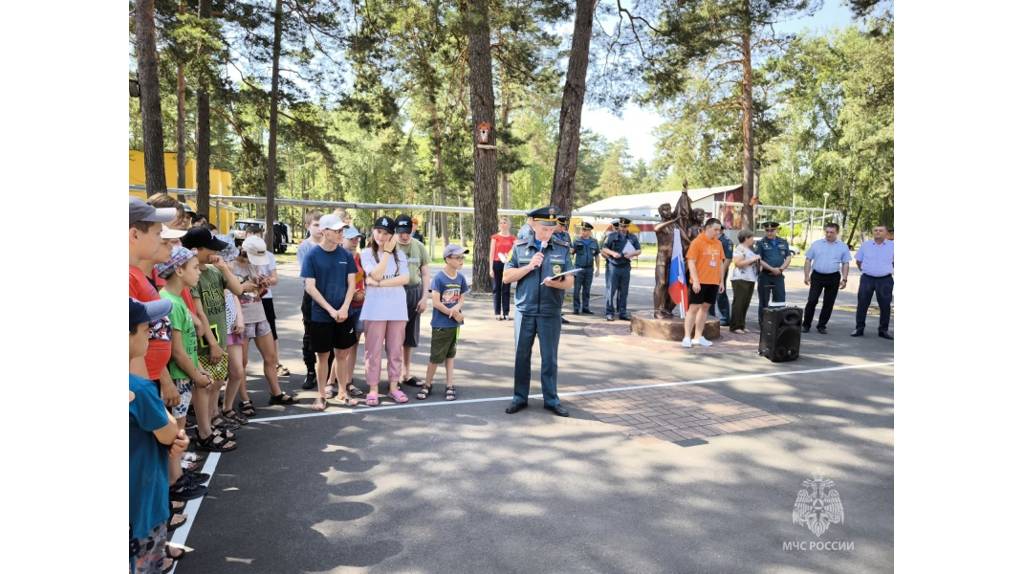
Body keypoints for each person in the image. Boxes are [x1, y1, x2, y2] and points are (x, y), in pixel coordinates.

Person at [130, 298, 189, 574]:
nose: (150, 335)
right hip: (142, 505)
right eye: (144, 330)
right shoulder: (138, 390)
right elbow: (169, 435)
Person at [502, 206, 575, 417]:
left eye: (552, 228)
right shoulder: (519, 247)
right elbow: (506, 277)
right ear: (533, 225)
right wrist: (529, 267)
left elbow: (570, 280)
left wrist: (556, 284)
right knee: (521, 356)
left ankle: (551, 399)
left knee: (549, 358)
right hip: (525, 310)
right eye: (544, 228)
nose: (548, 232)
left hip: (550, 312)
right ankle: (519, 397)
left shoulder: (562, 248)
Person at [301, 214, 359, 411]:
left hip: (344, 314)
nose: (341, 233)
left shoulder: (346, 255)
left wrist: (343, 308)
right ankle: (321, 395)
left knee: (342, 354)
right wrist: (330, 309)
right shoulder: (312, 256)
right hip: (321, 316)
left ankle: (343, 392)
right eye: (337, 230)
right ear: (324, 232)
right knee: (323, 357)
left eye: (342, 230)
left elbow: (352, 284)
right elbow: (310, 287)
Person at [233, 236, 296, 413]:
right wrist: (243, 286)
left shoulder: (255, 265)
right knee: (242, 362)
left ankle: (276, 392)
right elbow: (231, 293)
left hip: (259, 314)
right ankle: (244, 399)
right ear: (244, 251)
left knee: (270, 357)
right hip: (241, 318)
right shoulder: (231, 266)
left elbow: (258, 292)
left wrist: (262, 285)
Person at [360, 216, 411, 406]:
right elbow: (376, 272)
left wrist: (378, 284)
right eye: (378, 231)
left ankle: (393, 387)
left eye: (386, 233)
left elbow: (405, 279)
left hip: (397, 309)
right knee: (372, 351)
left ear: (392, 236)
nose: (381, 236)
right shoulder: (366, 253)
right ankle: (373, 388)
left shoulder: (401, 255)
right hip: (374, 310)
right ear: (373, 231)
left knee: (395, 350)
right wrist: (387, 253)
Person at [417, 244, 470, 402]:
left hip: (454, 326)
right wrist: (453, 314)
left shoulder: (460, 278)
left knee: (450, 355)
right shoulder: (439, 278)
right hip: (441, 325)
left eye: (462, 258)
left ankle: (449, 384)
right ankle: (427, 384)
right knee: (435, 358)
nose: (461, 261)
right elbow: (436, 302)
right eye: (458, 258)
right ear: (447, 259)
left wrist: (457, 310)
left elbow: (461, 298)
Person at [243, 225, 289, 379]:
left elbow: (275, 277)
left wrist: (267, 281)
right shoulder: (236, 261)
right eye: (252, 234)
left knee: (270, 332)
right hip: (244, 304)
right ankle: (240, 367)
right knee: (243, 337)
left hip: (264, 298)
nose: (256, 237)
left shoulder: (268, 255)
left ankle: (275, 363)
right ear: (246, 235)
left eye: (259, 234)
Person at [393, 214, 431, 388]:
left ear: (412, 229)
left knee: (410, 336)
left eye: (407, 232)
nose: (404, 236)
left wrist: (424, 298)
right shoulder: (390, 246)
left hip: (414, 292)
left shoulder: (419, 246)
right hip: (395, 292)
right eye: (400, 232)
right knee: (395, 336)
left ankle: (406, 374)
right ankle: (394, 375)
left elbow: (424, 274)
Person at [681, 218, 726, 348]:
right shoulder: (697, 242)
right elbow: (691, 262)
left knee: (705, 308)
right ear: (707, 228)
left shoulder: (718, 243)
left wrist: (721, 281)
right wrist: (695, 281)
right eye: (716, 229)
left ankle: (698, 337)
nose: (718, 232)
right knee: (693, 308)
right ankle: (687, 337)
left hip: (713, 282)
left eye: (719, 230)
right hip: (699, 282)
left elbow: (721, 263)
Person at [335, 225, 367, 399]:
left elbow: (365, 280)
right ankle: (331, 382)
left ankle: (348, 380)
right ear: (342, 239)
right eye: (351, 238)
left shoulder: (360, 258)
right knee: (340, 348)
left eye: (357, 238)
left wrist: (363, 294)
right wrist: (350, 295)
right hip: (343, 307)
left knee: (353, 345)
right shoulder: (338, 257)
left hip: (359, 307)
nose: (355, 242)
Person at [802, 222, 851, 335]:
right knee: (812, 300)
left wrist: (844, 279)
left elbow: (845, 263)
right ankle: (806, 324)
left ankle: (822, 325)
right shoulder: (816, 244)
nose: (828, 234)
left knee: (828, 303)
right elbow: (808, 260)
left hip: (833, 277)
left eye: (831, 232)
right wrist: (806, 275)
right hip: (817, 276)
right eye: (827, 232)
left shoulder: (843, 246)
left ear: (837, 233)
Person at [296, 210, 325, 390]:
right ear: (308, 226)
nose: (319, 228)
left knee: (327, 335)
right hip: (311, 296)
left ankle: (327, 373)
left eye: (322, 225)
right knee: (310, 335)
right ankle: (311, 372)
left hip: (329, 295)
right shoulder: (305, 247)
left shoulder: (330, 245)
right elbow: (307, 276)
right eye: (315, 225)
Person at [852, 225, 894, 339]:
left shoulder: (893, 246)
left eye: (881, 230)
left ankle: (883, 330)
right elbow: (859, 261)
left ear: (886, 233)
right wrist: (866, 270)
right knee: (862, 304)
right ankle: (859, 328)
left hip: (885, 280)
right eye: (875, 230)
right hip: (867, 279)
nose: (878, 232)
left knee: (885, 305)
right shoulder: (866, 245)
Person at [754, 221, 793, 327]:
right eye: (767, 230)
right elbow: (759, 259)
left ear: (777, 230)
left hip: (779, 276)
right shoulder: (761, 243)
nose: (770, 232)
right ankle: (763, 323)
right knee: (764, 301)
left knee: (780, 300)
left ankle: (778, 322)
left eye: (772, 230)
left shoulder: (783, 242)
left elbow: (788, 257)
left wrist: (781, 269)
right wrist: (772, 268)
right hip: (765, 275)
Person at [601, 216, 641, 321]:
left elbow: (639, 250)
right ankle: (609, 312)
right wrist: (613, 253)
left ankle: (622, 312)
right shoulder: (612, 236)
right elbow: (604, 248)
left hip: (625, 266)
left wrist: (632, 253)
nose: (623, 228)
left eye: (625, 226)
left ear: (628, 226)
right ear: (619, 226)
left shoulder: (632, 237)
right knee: (611, 290)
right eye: (621, 226)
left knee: (624, 291)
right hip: (613, 266)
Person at [729, 230, 761, 334]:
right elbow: (738, 263)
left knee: (745, 303)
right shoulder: (740, 248)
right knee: (739, 302)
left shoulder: (749, 249)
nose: (753, 240)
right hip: (741, 278)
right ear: (746, 238)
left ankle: (741, 325)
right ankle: (735, 326)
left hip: (749, 278)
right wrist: (753, 259)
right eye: (751, 237)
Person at [489, 216, 516, 320]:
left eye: (504, 222)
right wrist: (491, 268)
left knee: (506, 289)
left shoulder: (513, 238)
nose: (502, 224)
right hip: (497, 263)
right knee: (497, 288)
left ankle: (506, 312)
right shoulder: (495, 237)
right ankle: (497, 312)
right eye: (501, 223)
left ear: (508, 224)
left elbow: (514, 252)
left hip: (508, 265)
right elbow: (491, 254)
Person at [571, 221, 599, 314]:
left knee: (587, 290)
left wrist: (598, 269)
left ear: (590, 231)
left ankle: (585, 307)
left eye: (585, 230)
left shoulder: (594, 242)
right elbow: (571, 253)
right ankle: (576, 308)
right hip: (579, 268)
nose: (583, 232)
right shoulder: (577, 240)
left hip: (589, 269)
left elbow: (597, 255)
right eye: (582, 230)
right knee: (577, 289)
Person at [707, 228, 733, 326]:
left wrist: (721, 273)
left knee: (720, 293)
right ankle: (710, 315)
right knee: (709, 293)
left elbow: (728, 259)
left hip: (720, 271)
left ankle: (725, 318)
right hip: (710, 271)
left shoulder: (726, 241)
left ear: (721, 231)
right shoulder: (711, 240)